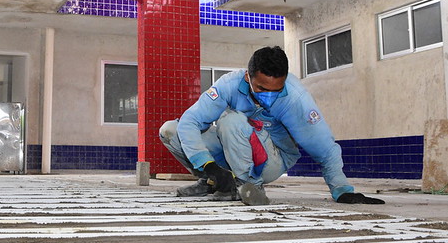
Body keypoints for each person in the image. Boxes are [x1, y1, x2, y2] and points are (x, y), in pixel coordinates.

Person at [159, 46, 384, 205]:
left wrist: (341, 189)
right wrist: (210, 166)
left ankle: (250, 186)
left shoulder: (296, 99)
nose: (269, 96)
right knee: (171, 130)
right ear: (248, 77)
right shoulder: (229, 84)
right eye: (261, 88)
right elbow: (190, 121)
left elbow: (324, 147)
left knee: (232, 120)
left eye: (276, 89)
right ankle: (214, 181)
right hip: (235, 146)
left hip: (273, 157)